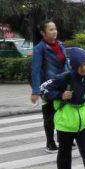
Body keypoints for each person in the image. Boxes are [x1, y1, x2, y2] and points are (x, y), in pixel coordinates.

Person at [30, 21, 70, 153]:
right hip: (47, 86)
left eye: (55, 29)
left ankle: (62, 138)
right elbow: (35, 71)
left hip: (62, 84)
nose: (54, 32)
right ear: (43, 33)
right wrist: (35, 91)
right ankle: (50, 142)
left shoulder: (61, 45)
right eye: (51, 29)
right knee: (49, 115)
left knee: (63, 112)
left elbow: (67, 64)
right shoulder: (39, 49)